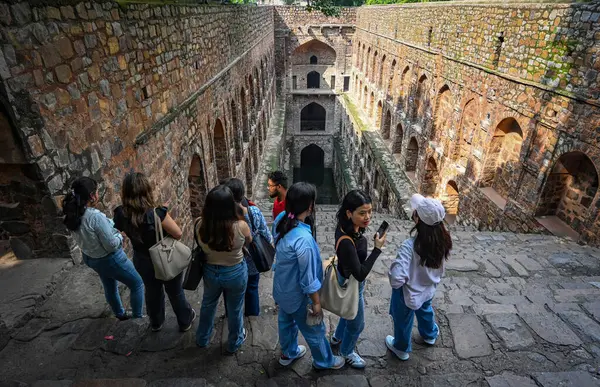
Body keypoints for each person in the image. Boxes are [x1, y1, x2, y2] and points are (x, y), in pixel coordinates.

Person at [272, 182, 345, 370]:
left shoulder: (282, 219)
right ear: (310, 206)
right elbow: (308, 278)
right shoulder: (303, 240)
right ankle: (324, 361)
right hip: (298, 296)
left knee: (286, 322)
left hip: (282, 289)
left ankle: (288, 352)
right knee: (314, 330)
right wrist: (316, 303)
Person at [114, 172, 196, 332]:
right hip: (164, 257)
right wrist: (162, 214)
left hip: (142, 259)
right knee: (175, 291)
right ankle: (185, 320)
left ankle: (156, 322)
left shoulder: (120, 213)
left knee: (152, 291)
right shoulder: (157, 214)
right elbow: (178, 233)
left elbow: (123, 226)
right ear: (146, 191)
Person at [63, 177, 144, 321]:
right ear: (92, 196)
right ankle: (138, 317)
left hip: (91, 257)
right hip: (109, 259)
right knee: (137, 283)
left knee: (109, 285)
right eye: (97, 191)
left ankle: (119, 313)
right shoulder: (95, 217)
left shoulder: (72, 215)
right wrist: (120, 236)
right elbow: (111, 245)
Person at [386, 194, 451, 360]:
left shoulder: (409, 246)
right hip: (428, 288)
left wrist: (393, 273)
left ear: (418, 220)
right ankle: (430, 334)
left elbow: (396, 280)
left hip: (409, 292)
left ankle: (401, 347)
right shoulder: (443, 240)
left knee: (403, 319)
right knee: (425, 310)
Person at [330, 190, 386, 368]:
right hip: (352, 283)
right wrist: (377, 249)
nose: (367, 217)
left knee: (347, 311)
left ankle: (337, 337)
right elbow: (360, 273)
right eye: (362, 213)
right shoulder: (347, 241)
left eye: (369, 211)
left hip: (345, 276)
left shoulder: (347, 227)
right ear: (349, 213)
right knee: (357, 325)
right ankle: (346, 352)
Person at [195, 185, 252, 353]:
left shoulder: (199, 224)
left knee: (208, 304)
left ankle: (202, 338)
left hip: (211, 271)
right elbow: (249, 240)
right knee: (235, 308)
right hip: (235, 271)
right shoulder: (240, 226)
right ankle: (234, 342)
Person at [221, 177, 273, 316]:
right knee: (252, 289)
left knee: (230, 292)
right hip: (252, 262)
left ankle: (231, 316)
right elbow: (267, 237)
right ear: (242, 194)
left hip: (231, 263)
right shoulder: (253, 212)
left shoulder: (222, 217)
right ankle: (252, 317)